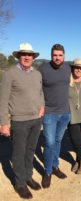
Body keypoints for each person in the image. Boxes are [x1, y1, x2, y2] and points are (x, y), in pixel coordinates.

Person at [0, 42, 44, 199]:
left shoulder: (37, 74)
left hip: (35, 120)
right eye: (23, 54)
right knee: (19, 153)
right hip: (19, 121)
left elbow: (40, 93)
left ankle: (28, 176)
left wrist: (42, 106)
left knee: (30, 150)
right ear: (18, 56)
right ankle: (20, 184)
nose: (27, 57)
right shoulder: (9, 73)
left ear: (33, 57)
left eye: (29, 55)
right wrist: (4, 123)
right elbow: (3, 99)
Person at [38, 44, 71, 188]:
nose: (57, 58)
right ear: (51, 55)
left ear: (64, 55)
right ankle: (47, 171)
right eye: (55, 55)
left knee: (57, 141)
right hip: (49, 114)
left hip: (65, 113)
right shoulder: (43, 69)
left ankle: (55, 166)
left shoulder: (68, 68)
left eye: (60, 55)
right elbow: (36, 89)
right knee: (49, 143)